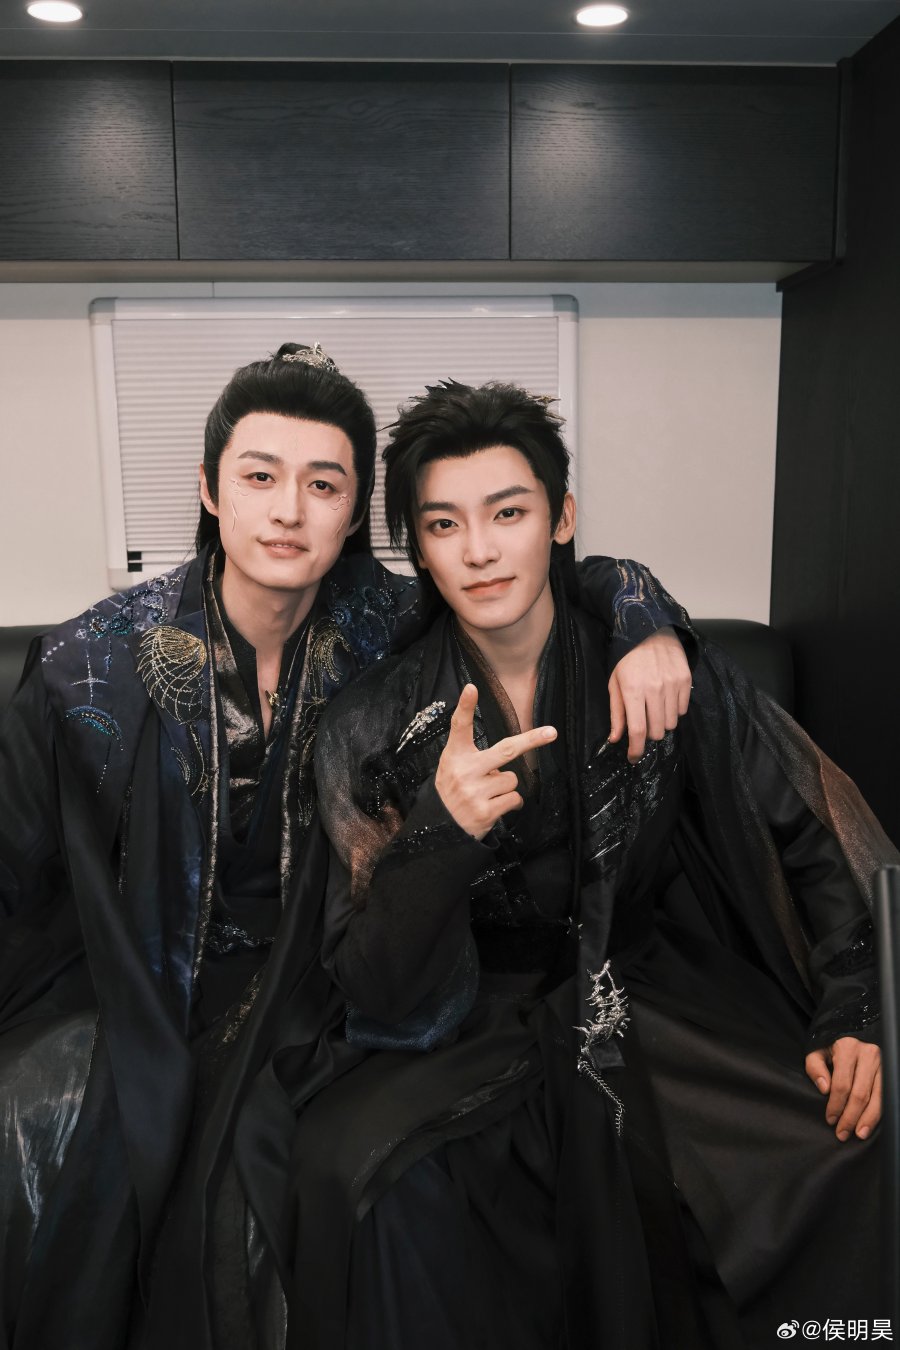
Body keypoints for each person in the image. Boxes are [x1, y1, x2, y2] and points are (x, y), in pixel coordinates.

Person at [0, 346, 693, 1350]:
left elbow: (533, 571)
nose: (289, 511)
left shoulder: (388, 622)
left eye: (323, 485)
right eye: (259, 476)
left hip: (327, 977)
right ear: (209, 490)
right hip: (149, 971)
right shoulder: (88, 665)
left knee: (314, 1163)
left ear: (357, 509)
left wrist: (644, 613)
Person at [297, 379, 895, 1350]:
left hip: (647, 985)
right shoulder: (372, 722)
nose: (480, 550)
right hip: (471, 1014)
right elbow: (370, 978)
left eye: (509, 513)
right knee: (364, 1180)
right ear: (418, 549)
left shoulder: (651, 668)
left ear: (561, 518)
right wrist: (442, 833)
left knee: (846, 1149)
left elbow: (804, 836)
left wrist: (855, 1009)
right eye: (444, 524)